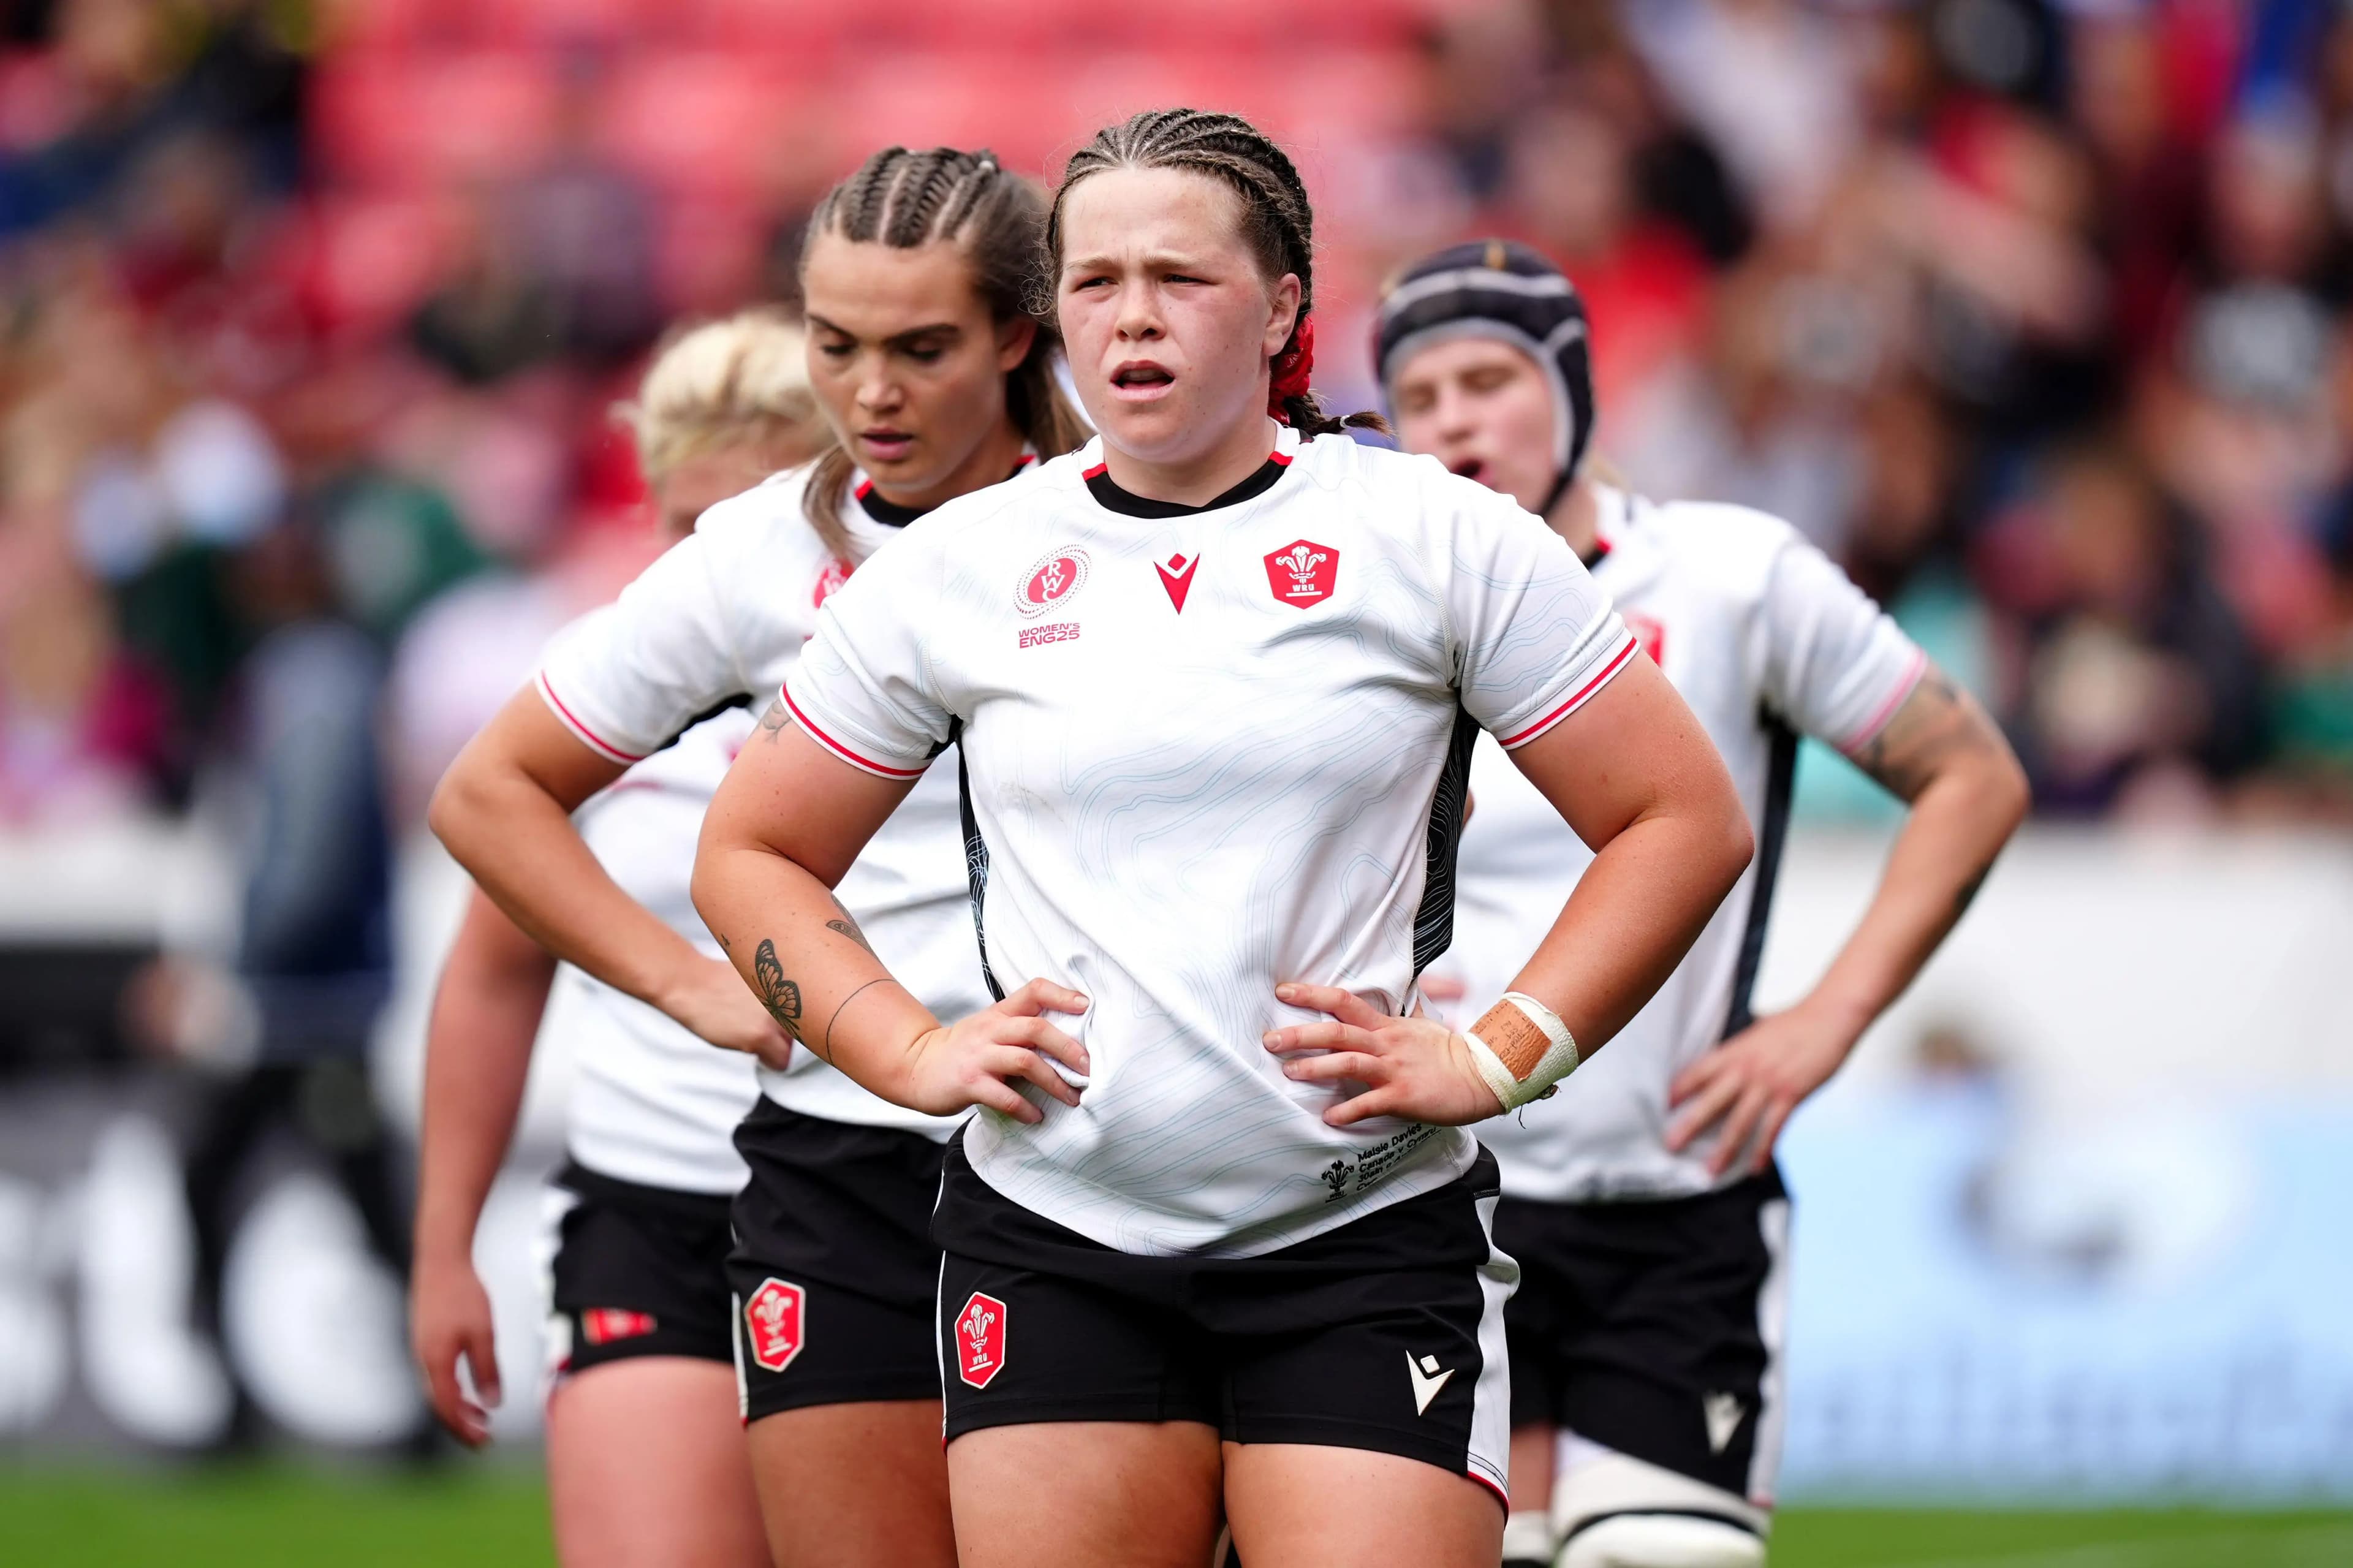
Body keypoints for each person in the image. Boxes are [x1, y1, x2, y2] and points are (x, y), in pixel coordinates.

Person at [691, 109, 1754, 1568]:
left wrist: (1500, 1049)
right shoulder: (960, 566)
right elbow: (750, 852)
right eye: (1093, 281)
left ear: (1286, 309)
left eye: (1181, 280)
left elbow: (1680, 816)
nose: (1132, 319)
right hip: (1055, 1239)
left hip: (1362, 1242)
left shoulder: (1435, 536)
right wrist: (903, 1046)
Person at [428, 148, 1087, 1568]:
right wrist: (694, 984)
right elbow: (488, 798)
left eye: (922, 348)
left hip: (1093, 1154)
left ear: (1017, 338)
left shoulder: (1137, 520)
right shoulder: (751, 556)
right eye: (836, 346)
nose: (872, 392)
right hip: (830, 1163)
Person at [1377, 240, 2030, 1568]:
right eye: (1421, 392)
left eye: (1490, 377)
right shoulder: (1363, 599)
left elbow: (1970, 773)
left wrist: (1823, 1022)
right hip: (1428, 1205)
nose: (1454, 418)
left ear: (1573, 387)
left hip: (1670, 1204)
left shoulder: (1729, 576)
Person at [409, 310, 825, 1566]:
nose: (719, 562)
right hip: (656, 1202)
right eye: (687, 526)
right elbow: (492, 967)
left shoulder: (926, 679)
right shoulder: (593, 691)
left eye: (756, 518)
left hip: (886, 1201)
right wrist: (443, 1247)